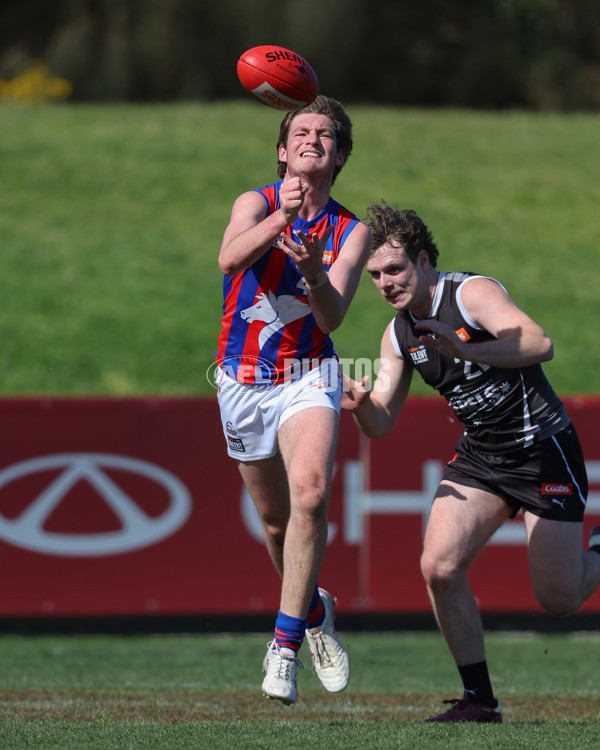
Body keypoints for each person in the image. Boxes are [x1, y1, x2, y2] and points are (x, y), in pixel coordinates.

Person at [342, 201, 600, 723]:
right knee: (438, 567)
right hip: (482, 458)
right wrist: (359, 407)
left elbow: (539, 342)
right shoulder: (397, 336)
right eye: (374, 275)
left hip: (542, 449)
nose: (386, 283)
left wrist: (466, 352)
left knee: (559, 600)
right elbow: (382, 422)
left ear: (422, 260)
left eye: (394, 269)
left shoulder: (469, 293)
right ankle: (481, 700)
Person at [215, 96, 372, 705]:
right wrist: (282, 221)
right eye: (301, 131)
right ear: (283, 150)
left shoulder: (351, 231)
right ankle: (313, 612)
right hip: (241, 380)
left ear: (339, 154)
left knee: (310, 494)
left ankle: (283, 648)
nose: (312, 138)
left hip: (310, 373)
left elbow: (332, 318)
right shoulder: (254, 202)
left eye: (325, 133)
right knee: (277, 522)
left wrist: (311, 271)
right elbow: (229, 258)